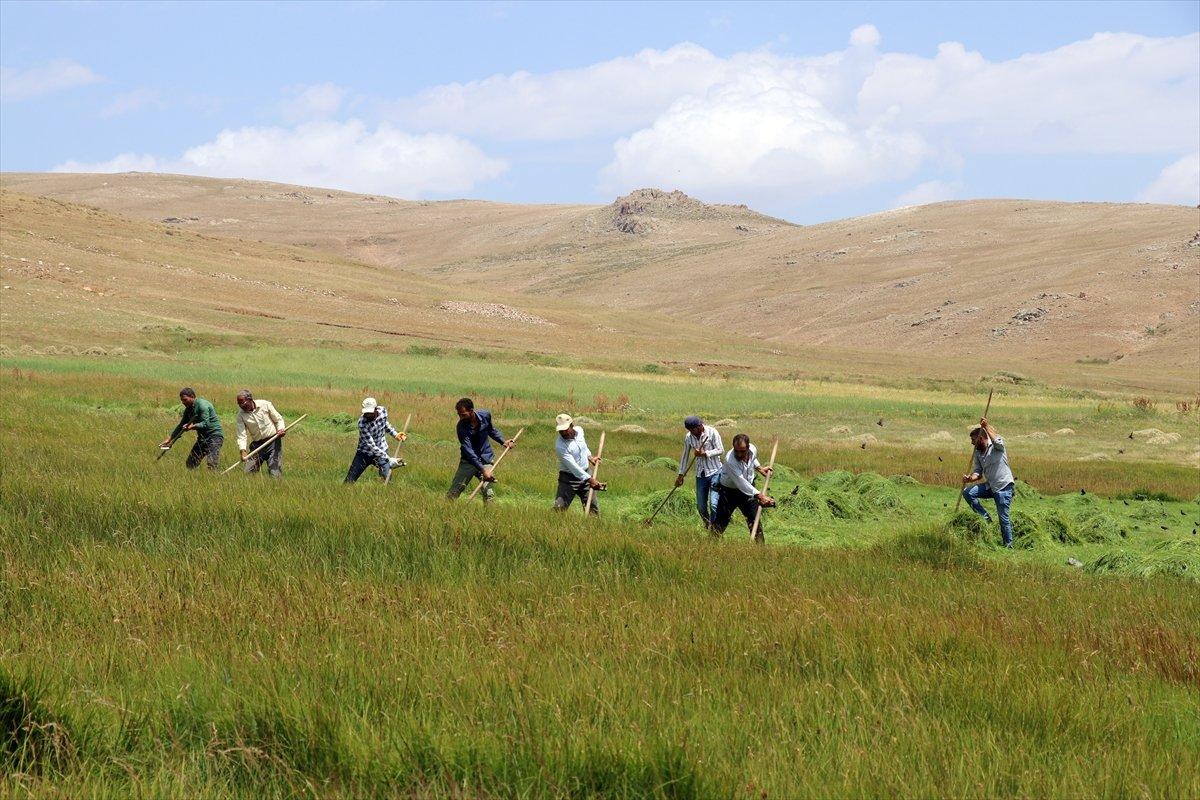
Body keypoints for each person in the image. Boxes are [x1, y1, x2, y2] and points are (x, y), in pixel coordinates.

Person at [961, 416, 1016, 548]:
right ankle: (985, 518)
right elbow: (978, 472)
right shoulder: (978, 453)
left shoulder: (997, 447)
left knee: (1003, 518)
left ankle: (1008, 545)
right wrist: (970, 478)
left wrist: (986, 426)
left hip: (1003, 487)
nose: (972, 443)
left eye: (973, 440)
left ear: (981, 439)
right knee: (968, 493)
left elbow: (997, 440)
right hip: (990, 486)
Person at [447, 397, 515, 501]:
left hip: (485, 459)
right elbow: (469, 451)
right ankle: (446, 513)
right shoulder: (461, 427)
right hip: (469, 461)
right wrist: (483, 470)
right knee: (453, 494)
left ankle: (488, 517)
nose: (461, 417)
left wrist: (503, 441)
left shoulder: (485, 415)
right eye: (459, 415)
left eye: (463, 415)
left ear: (471, 411)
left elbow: (491, 430)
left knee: (489, 495)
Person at [711, 434, 775, 540]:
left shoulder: (752, 449)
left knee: (755, 521)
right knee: (720, 522)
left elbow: (752, 459)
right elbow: (741, 483)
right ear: (733, 447)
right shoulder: (730, 460)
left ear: (748, 448)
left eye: (742, 451)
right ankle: (710, 545)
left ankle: (760, 550)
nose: (739, 454)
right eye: (736, 451)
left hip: (749, 491)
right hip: (729, 492)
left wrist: (760, 468)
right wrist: (761, 496)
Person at [674, 416, 724, 527]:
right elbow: (685, 456)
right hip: (700, 475)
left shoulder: (712, 432)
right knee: (701, 507)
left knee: (714, 505)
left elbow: (720, 450)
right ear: (691, 429)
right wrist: (680, 475)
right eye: (697, 427)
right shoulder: (688, 437)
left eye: (701, 425)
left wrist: (705, 453)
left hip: (715, 472)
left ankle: (715, 529)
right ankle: (708, 525)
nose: (701, 426)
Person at [344, 397, 406, 483]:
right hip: (364, 453)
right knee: (349, 480)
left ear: (375, 409)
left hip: (382, 449)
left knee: (387, 479)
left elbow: (385, 424)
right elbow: (372, 446)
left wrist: (395, 434)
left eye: (370, 412)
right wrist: (388, 459)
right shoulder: (362, 423)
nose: (367, 415)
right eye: (366, 412)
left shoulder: (383, 411)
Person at [160, 387, 223, 470]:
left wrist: (191, 427)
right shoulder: (188, 409)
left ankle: (215, 480)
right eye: (182, 400)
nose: (183, 402)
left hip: (214, 436)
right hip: (202, 438)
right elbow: (181, 425)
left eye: (185, 400)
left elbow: (205, 424)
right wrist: (170, 438)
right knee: (191, 463)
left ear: (192, 396)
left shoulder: (202, 406)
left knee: (211, 463)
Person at [553, 413, 602, 514]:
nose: (563, 433)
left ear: (572, 425)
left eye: (565, 429)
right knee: (559, 509)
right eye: (561, 431)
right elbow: (573, 467)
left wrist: (590, 457)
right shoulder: (560, 446)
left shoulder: (580, 430)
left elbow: (583, 447)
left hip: (586, 473)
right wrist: (590, 479)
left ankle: (593, 527)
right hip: (568, 479)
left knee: (592, 509)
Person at [234, 389, 286, 478]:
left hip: (273, 442)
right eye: (239, 404)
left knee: (275, 472)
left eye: (243, 403)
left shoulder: (265, 405)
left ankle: (277, 488)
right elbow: (241, 435)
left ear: (250, 399)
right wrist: (243, 451)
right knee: (248, 472)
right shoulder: (240, 415)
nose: (241, 406)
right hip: (257, 446)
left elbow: (278, 420)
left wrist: (281, 429)